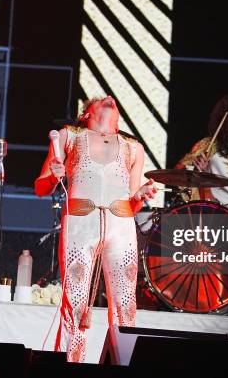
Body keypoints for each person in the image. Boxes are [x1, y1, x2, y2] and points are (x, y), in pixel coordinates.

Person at [35, 96, 157, 362]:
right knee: (76, 301)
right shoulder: (69, 136)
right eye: (101, 99)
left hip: (121, 226)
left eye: (112, 100)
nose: (110, 99)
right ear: (86, 114)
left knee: (126, 304)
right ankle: (70, 362)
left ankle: (123, 362)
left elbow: (132, 204)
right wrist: (54, 177)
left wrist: (141, 195)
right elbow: (40, 187)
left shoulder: (133, 147)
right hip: (81, 223)